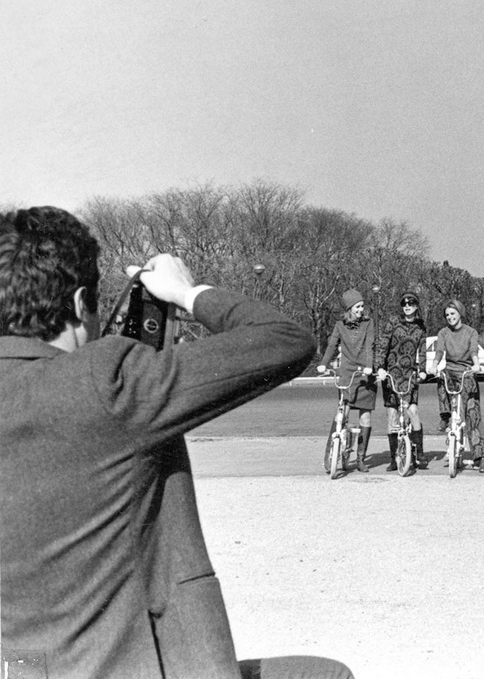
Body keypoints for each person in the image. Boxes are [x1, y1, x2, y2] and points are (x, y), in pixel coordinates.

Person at [0, 206, 352, 679]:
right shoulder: (107, 383)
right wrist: (187, 293)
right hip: (135, 667)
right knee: (325, 675)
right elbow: (285, 340)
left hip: (24, 667)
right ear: (81, 300)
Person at [317, 289, 377, 473]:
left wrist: (369, 366)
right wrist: (323, 364)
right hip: (347, 373)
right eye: (358, 306)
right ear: (349, 308)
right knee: (342, 413)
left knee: (365, 416)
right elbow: (332, 345)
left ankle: (360, 458)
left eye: (362, 306)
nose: (361, 309)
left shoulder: (368, 323)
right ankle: (330, 456)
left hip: (365, 373)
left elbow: (369, 346)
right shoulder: (339, 325)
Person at [374, 290, 428, 472]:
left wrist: (423, 371)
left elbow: (422, 352)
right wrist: (380, 367)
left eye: (411, 304)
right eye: (404, 304)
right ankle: (393, 457)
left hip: (410, 374)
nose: (407, 307)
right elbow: (382, 344)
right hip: (391, 374)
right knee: (392, 415)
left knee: (412, 411)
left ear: (416, 306)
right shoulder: (393, 322)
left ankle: (419, 453)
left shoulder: (421, 327)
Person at [433, 299, 484, 472]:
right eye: (447, 315)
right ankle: (445, 415)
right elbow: (440, 351)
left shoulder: (471, 332)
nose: (450, 317)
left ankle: (481, 455)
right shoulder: (443, 333)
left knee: (472, 413)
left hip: (466, 372)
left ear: (460, 313)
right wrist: (435, 364)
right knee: (441, 377)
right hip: (450, 371)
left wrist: (476, 364)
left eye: (453, 314)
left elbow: (473, 350)